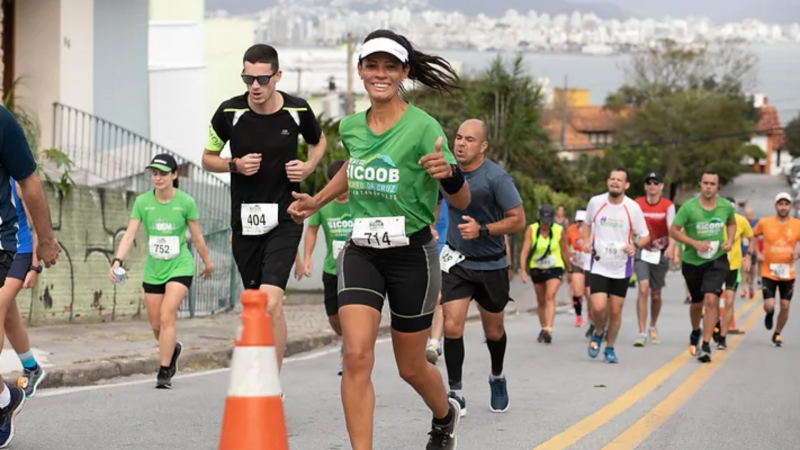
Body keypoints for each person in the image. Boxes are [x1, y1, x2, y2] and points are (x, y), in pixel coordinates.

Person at [287, 29, 470, 450]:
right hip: (361, 252)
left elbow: (462, 198)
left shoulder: (424, 127)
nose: (380, 74)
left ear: (405, 71)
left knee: (410, 367)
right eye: (372, 66)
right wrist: (316, 200)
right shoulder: (352, 126)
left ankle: (445, 415)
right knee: (355, 355)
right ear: (360, 70)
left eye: (390, 66)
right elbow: (353, 168)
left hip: (412, 256)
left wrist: (451, 173)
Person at [201, 44, 327, 373]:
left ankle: (271, 381)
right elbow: (207, 158)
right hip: (245, 222)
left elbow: (320, 141)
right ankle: (270, 371)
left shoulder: (298, 110)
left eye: (262, 79)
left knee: (271, 300)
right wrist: (235, 165)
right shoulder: (229, 113)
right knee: (261, 305)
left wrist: (310, 166)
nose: (255, 86)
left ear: (277, 76)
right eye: (248, 78)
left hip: (286, 217)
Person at [439, 118, 525, 416]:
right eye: (458, 137)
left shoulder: (497, 179)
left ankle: (497, 376)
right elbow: (435, 202)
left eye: (469, 140)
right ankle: (456, 392)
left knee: (494, 330)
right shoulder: (447, 172)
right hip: (457, 262)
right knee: (452, 325)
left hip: (491, 265)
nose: (460, 144)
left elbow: (518, 219)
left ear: (483, 146)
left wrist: (483, 230)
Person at [110, 154, 213, 388]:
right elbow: (129, 234)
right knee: (156, 324)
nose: (157, 178)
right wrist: (117, 261)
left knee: (167, 315)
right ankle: (172, 348)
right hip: (154, 268)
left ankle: (164, 371)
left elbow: (196, 237)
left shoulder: (186, 202)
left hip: (179, 265)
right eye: (154, 173)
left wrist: (207, 262)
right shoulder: (143, 202)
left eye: (163, 173)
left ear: (174, 175)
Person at [0, 105, 61, 448]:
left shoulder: (6, 137)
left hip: (13, 245)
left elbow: (30, 196)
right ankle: (20, 381)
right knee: (8, 316)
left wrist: (38, 258)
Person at [583, 168, 650, 364]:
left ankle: (610, 348)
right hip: (599, 264)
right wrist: (586, 241)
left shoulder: (632, 208)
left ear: (626, 185)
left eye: (619, 180)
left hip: (621, 267)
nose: (615, 182)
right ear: (607, 182)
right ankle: (598, 331)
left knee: (615, 311)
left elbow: (645, 235)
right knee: (598, 307)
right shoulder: (596, 202)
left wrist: (635, 246)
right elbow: (587, 223)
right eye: (612, 179)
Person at [669, 171, 735, 363]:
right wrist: (694, 243)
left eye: (712, 184)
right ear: (700, 185)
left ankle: (706, 345)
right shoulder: (689, 207)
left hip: (717, 259)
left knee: (711, 299)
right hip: (692, 261)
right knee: (697, 303)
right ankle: (696, 331)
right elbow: (673, 231)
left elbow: (731, 223)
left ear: (718, 187)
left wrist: (730, 240)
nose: (708, 187)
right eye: (705, 183)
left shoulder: (724, 206)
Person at [299, 160, 351, 375]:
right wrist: (308, 257)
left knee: (350, 312)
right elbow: (311, 229)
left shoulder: (359, 201)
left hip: (355, 268)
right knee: (333, 315)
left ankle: (349, 351)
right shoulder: (324, 204)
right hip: (331, 267)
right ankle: (345, 339)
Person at [5, 180, 46, 398]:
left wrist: (34, 266)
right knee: (9, 317)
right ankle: (32, 367)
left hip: (20, 253)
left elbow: (35, 226)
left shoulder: (16, 183)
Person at [749, 192, 800, 347]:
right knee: (769, 304)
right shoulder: (765, 223)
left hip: (788, 272)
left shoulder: (797, 224)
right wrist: (757, 253)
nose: (783, 207)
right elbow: (753, 235)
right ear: (776, 206)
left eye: (786, 204)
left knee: (785, 305)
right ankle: (769, 313)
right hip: (768, 270)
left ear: (790, 206)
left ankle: (777, 333)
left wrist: (798, 252)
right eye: (780, 204)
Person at [633, 172, 676, 347]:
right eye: (649, 183)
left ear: (661, 187)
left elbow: (672, 228)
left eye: (655, 183)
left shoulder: (668, 205)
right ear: (645, 186)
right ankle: (642, 331)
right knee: (643, 288)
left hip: (660, 252)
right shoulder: (637, 204)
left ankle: (652, 325)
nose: (652, 186)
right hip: (642, 251)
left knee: (655, 293)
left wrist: (672, 247)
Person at [520, 204, 571, 344]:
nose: (545, 224)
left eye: (548, 221)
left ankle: (549, 328)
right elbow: (525, 251)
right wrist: (523, 270)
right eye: (543, 221)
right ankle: (543, 327)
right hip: (537, 268)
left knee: (550, 296)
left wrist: (570, 269)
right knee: (541, 300)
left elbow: (564, 250)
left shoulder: (559, 230)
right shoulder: (532, 229)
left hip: (555, 267)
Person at [713, 196, 753, 349]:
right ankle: (715, 323)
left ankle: (722, 337)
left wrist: (748, 256)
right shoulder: (715, 221)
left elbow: (751, 238)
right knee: (713, 300)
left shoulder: (741, 221)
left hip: (733, 266)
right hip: (715, 266)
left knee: (729, 301)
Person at [426, 194, 448, 365]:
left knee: (439, 297)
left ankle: (434, 343)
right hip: (421, 246)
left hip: (445, 248)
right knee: (425, 299)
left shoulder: (454, 193)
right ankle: (430, 338)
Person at [566, 210, 589, 327]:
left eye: (583, 221)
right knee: (577, 289)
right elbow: (566, 244)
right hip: (576, 262)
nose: (581, 224)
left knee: (589, 292)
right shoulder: (571, 229)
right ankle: (579, 316)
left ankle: (590, 314)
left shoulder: (593, 229)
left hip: (590, 261)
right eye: (579, 221)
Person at [741, 207, 760, 300]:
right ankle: (743, 289)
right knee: (744, 269)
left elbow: (760, 235)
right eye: (747, 215)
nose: (749, 217)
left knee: (752, 269)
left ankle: (751, 286)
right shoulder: (742, 223)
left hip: (752, 251)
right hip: (743, 250)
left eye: (750, 215)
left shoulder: (756, 224)